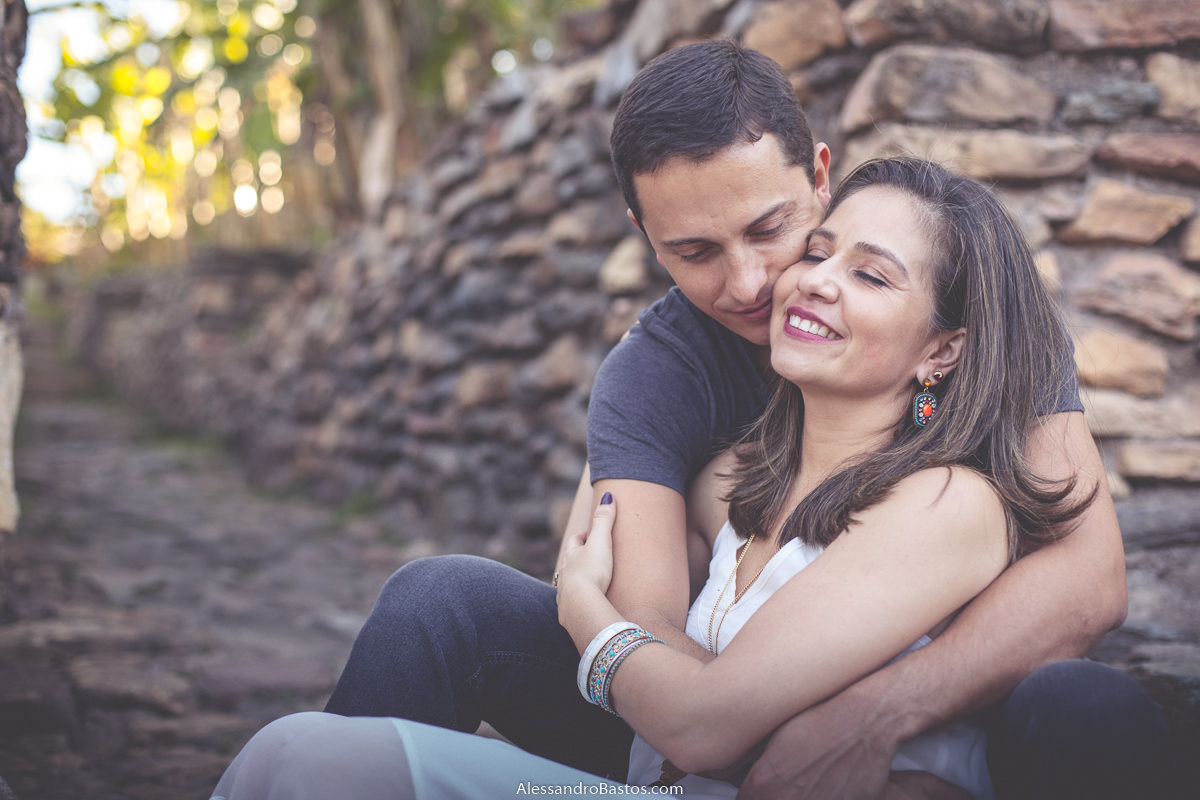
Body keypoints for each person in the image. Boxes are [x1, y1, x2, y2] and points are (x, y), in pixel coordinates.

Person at [320, 41, 1165, 799]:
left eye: (774, 228)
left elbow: (1088, 578)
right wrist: (737, 725)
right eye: (695, 253)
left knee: (1087, 703)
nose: (753, 282)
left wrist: (869, 721)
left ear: (820, 177)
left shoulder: (965, 313)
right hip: (685, 721)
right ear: (644, 237)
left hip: (936, 708)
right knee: (437, 605)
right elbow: (643, 619)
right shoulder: (654, 375)